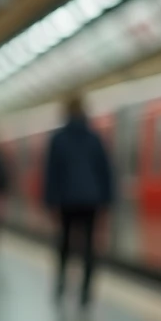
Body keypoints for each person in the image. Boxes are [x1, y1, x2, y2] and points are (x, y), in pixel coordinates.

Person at [43, 96, 114, 307]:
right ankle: (86, 290)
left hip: (66, 199)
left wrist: (51, 201)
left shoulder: (58, 139)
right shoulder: (94, 137)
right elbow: (105, 171)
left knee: (65, 241)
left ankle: (62, 283)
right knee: (89, 245)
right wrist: (107, 199)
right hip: (91, 198)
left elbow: (52, 173)